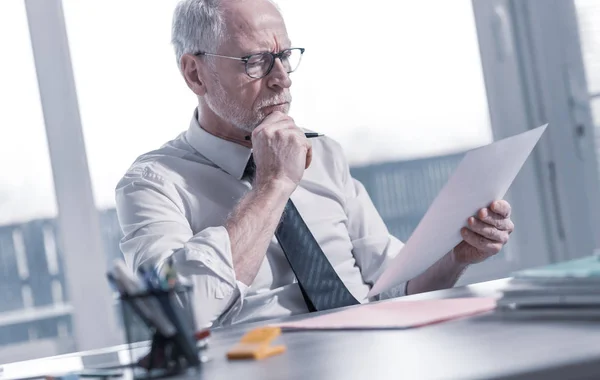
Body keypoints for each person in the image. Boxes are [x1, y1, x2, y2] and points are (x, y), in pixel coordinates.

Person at [115, 0, 515, 328]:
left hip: (378, 356)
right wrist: (272, 185)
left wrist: (456, 256)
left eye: (284, 56)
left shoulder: (323, 154)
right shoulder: (152, 185)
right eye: (256, 60)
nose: (282, 78)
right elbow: (177, 315)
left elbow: (391, 287)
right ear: (194, 73)